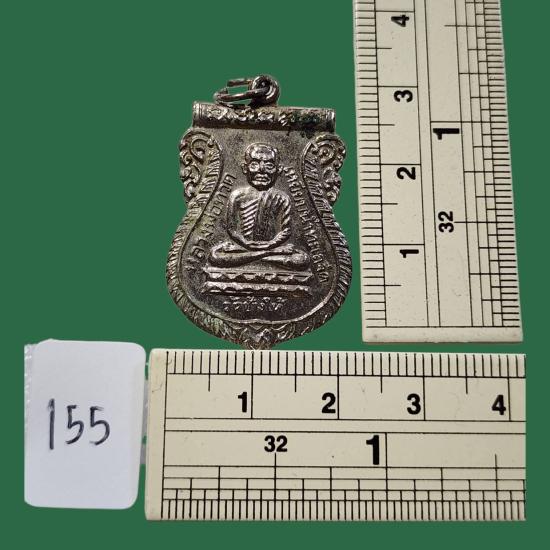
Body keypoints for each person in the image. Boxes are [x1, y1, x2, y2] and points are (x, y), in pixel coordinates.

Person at [209, 143, 309, 270]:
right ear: (245, 168)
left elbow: (286, 231)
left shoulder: (282, 197)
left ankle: (257, 256)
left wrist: (270, 245)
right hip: (245, 248)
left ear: (278, 170)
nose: (261, 169)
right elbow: (232, 229)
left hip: (270, 248)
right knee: (215, 256)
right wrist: (246, 243)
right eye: (254, 164)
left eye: (269, 165)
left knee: (302, 259)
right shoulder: (237, 196)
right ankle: (265, 255)